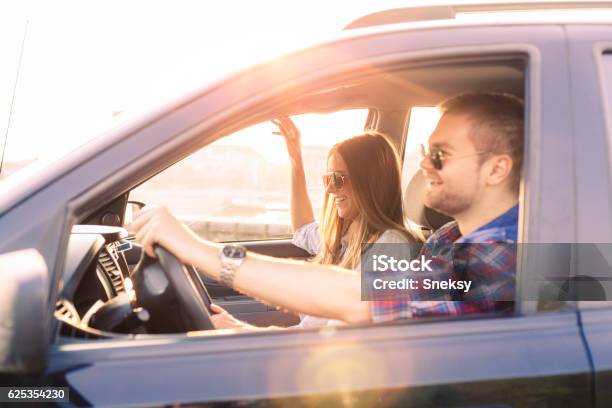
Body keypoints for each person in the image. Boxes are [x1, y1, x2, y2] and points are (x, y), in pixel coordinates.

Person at [130, 92, 523, 325]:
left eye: (440, 154)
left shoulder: (508, 257)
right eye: (425, 151)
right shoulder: (447, 238)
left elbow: (360, 297)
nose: (422, 166)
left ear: (496, 168)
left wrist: (203, 251)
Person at [210, 120, 417, 330]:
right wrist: (296, 160)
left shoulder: (391, 246)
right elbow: (302, 229)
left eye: (338, 179)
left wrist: (244, 330)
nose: (329, 190)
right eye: (328, 178)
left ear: (369, 182)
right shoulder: (344, 237)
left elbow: (341, 334)